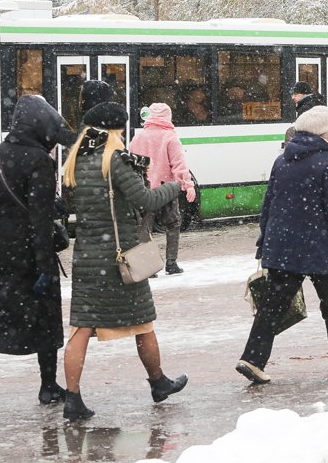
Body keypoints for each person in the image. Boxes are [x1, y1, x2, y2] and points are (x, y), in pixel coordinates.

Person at [60, 81, 188, 421]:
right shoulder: (114, 160)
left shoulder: (75, 159)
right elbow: (145, 200)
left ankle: (72, 399)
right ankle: (158, 382)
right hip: (120, 257)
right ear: (115, 129)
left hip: (87, 256)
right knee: (143, 322)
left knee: (81, 328)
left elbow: (73, 204)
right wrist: (174, 186)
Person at [0, 95, 75, 417]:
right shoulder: (39, 161)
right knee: (46, 315)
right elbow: (39, 218)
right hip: (28, 253)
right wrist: (45, 266)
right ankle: (48, 385)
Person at [236, 106, 328, 384]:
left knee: (272, 305)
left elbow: (269, 205)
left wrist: (265, 240)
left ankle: (252, 359)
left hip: (283, 245)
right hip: (320, 245)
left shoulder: (282, 160)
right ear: (327, 134)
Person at [130, 102, 196, 275]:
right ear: (168, 117)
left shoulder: (138, 137)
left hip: (144, 190)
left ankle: (150, 267)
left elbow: (130, 164)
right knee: (173, 224)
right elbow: (179, 165)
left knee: (144, 228)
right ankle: (171, 263)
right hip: (166, 189)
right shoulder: (170, 137)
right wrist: (188, 185)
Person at [284, 81, 325, 146]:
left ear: (304, 94)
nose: (293, 97)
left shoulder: (306, 108)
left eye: (296, 94)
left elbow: (302, 132)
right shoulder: (315, 103)